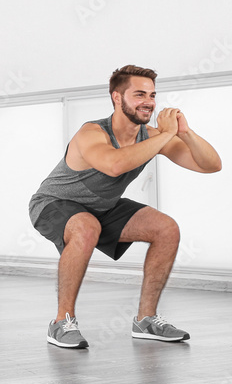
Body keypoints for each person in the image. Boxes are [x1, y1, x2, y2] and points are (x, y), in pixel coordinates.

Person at [30, 65, 220, 349]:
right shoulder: (92, 132)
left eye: (153, 95)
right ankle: (61, 322)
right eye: (139, 94)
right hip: (53, 202)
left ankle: (146, 320)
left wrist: (185, 133)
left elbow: (211, 165)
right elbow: (115, 164)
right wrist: (165, 136)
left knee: (165, 229)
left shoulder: (153, 135)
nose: (149, 101)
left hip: (103, 206)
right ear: (117, 98)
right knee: (86, 226)